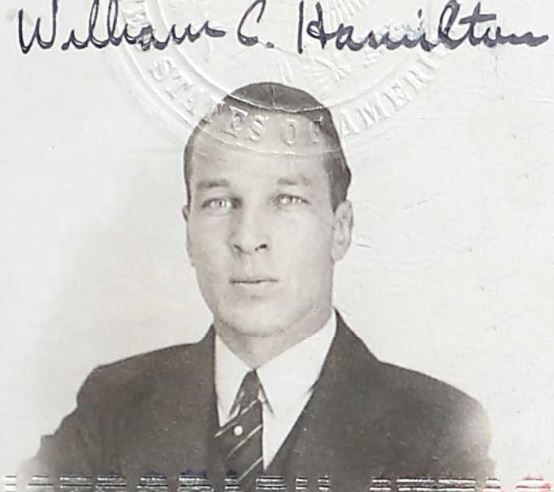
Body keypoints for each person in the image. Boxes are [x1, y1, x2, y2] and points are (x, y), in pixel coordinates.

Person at [20, 83, 494, 491]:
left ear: (341, 229)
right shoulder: (113, 406)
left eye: (287, 199)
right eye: (220, 202)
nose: (247, 238)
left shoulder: (439, 432)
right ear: (188, 232)